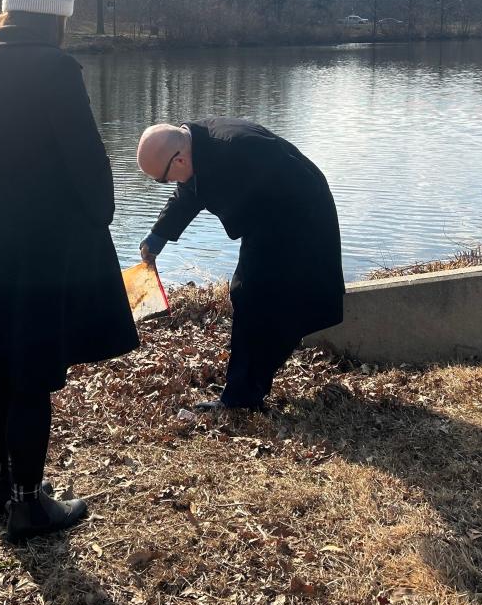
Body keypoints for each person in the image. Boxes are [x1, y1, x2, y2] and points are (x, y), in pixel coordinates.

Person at [0, 0, 138, 542]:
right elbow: (89, 167)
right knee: (30, 373)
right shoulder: (56, 69)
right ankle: (29, 507)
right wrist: (91, 217)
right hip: (44, 245)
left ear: (6, 11)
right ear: (54, 16)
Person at [136, 120, 344, 412]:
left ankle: (241, 397)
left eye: (164, 179)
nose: (169, 184)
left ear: (180, 158)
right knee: (254, 296)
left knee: (253, 296)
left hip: (300, 216)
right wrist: (159, 234)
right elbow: (192, 189)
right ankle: (248, 385)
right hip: (270, 215)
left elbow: (285, 190)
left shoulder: (236, 150)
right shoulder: (197, 144)